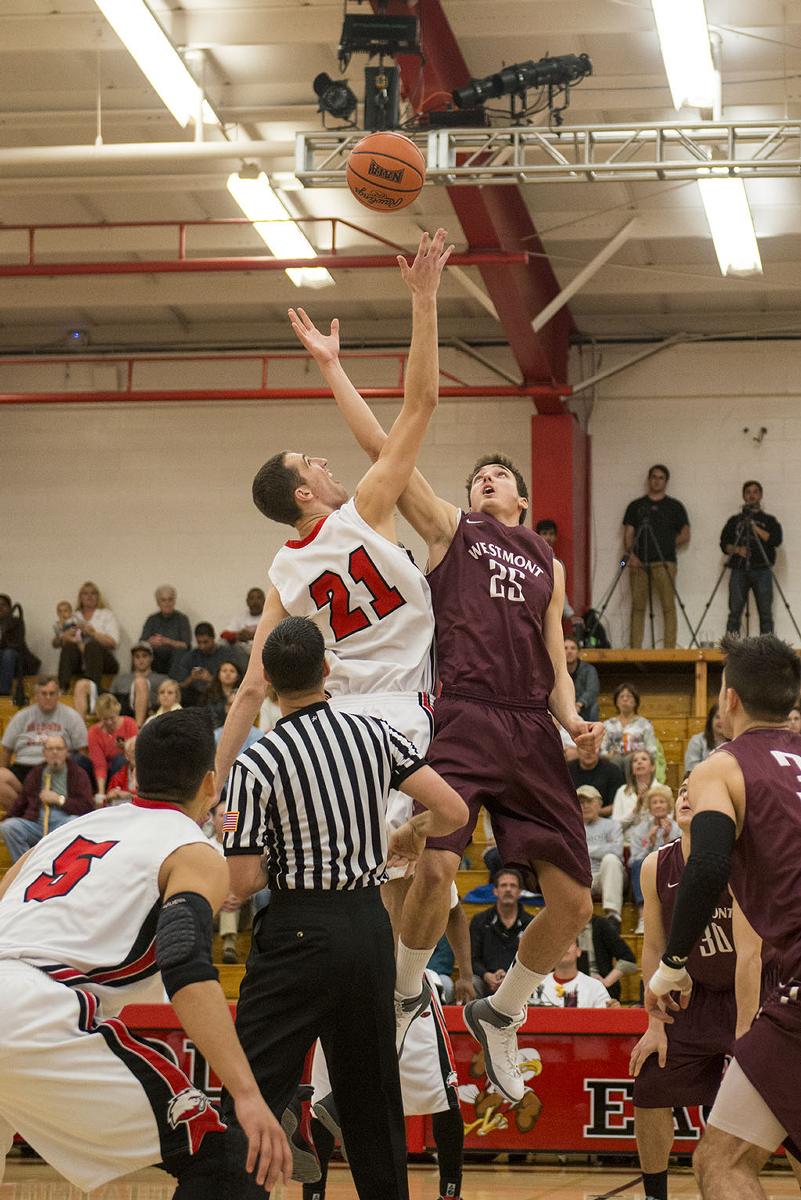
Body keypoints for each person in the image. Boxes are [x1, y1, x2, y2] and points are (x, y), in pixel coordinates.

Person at [287, 310, 602, 1104]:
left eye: (499, 477)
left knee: (573, 905)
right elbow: (380, 449)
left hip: (531, 725)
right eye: (478, 476)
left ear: (524, 499)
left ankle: (501, 1013)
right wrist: (333, 365)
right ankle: (400, 998)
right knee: (433, 868)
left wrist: (572, 721)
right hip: (461, 712)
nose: (485, 480)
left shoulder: (546, 563)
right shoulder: (452, 531)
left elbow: (554, 660)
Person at [221, 616, 468, 1200]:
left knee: (251, 1089)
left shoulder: (256, 763)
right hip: (366, 927)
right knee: (373, 1101)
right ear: (326, 668)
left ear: (271, 685)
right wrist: (413, 835)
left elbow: (241, 878)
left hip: (296, 932)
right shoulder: (373, 733)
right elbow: (454, 813)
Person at [0, 708, 292, 1196]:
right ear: (209, 782)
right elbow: (183, 959)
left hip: (19, 993)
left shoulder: (67, 832)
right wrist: (245, 1092)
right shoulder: (192, 849)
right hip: (36, 1015)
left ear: (136, 773)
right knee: (230, 1158)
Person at [645, 634, 801, 1199]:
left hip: (797, 983)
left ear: (728, 698)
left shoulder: (724, 766)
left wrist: (673, 965)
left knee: (722, 1163)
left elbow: (707, 862)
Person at [632, 775, 786, 1200]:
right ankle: (654, 1195)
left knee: (787, 1107)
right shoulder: (655, 866)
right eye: (681, 790)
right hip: (693, 995)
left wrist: (744, 1040)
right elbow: (654, 949)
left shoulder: (739, 864)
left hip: (756, 993)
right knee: (649, 1078)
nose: (685, 796)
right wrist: (654, 1024)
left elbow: (750, 958)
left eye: (693, 791)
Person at [623, 465, 690, 649]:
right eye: (653, 477)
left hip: (665, 562)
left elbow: (685, 534)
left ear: (666, 481)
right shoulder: (636, 506)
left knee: (668, 606)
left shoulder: (674, 506)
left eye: (661, 477)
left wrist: (667, 544)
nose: (657, 480)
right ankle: (635, 649)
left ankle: (669, 649)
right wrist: (631, 555)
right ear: (649, 479)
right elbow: (628, 533)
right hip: (638, 562)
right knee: (637, 606)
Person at [0, 734, 93, 860]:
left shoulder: (78, 773)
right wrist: (6, 819)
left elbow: (87, 807)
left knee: (72, 822)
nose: (55, 752)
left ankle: (61, 869)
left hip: (63, 823)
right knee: (8, 827)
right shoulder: (36, 773)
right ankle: (27, 869)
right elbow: (20, 803)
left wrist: (59, 800)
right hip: (37, 823)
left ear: (66, 752)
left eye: (59, 749)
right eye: (50, 749)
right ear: (44, 753)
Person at [0, 677, 88, 811]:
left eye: (52, 693)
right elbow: (6, 750)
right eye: (43, 693)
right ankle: (24, 814)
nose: (48, 697)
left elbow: (83, 752)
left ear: (58, 695)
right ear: (35, 696)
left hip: (57, 768)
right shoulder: (21, 717)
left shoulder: (72, 716)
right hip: (25, 767)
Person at [719, 481, 783, 638]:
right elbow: (723, 544)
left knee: (766, 614)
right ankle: (731, 649)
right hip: (739, 570)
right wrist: (737, 549)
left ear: (760, 495)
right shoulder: (734, 520)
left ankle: (767, 651)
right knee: (734, 613)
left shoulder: (769, 520)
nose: (752, 495)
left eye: (755, 492)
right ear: (743, 496)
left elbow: (775, 540)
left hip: (763, 570)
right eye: (748, 492)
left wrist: (754, 527)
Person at [469, 868, 533, 998]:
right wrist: (487, 976)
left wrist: (512, 979)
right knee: (472, 982)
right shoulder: (480, 921)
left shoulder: (531, 924)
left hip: (520, 981)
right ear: (495, 891)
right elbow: (473, 958)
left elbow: (535, 959)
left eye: (513, 886)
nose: (508, 889)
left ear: (520, 892)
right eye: (504, 885)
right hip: (486, 980)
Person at [627, 785, 679, 933]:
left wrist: (668, 838)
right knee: (638, 865)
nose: (658, 805)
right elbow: (632, 861)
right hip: (647, 871)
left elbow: (681, 855)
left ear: (668, 805)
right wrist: (649, 844)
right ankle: (643, 918)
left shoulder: (677, 828)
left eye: (662, 802)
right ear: (649, 807)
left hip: (670, 868)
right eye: (654, 802)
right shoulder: (639, 830)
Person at [55, 581, 119, 693]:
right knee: (69, 647)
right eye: (85, 593)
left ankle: (93, 689)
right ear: (80, 597)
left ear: (98, 597)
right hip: (80, 662)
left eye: (93, 593)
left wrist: (93, 633)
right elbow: (56, 642)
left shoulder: (106, 614)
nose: (89, 596)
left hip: (104, 663)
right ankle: (62, 688)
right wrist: (64, 636)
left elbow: (113, 643)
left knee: (92, 645)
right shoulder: (74, 616)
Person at [579, 786, 626, 927]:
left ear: (599, 804)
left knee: (610, 859)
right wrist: (603, 848)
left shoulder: (612, 825)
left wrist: (584, 848)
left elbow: (616, 851)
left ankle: (613, 917)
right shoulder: (571, 828)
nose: (585, 806)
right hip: (582, 878)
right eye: (581, 802)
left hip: (606, 876)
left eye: (589, 801)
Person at [207, 797, 243, 964]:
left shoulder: (240, 847)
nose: (226, 819)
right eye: (222, 815)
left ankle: (229, 946)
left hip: (240, 908)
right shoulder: (205, 846)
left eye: (230, 816)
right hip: (211, 908)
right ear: (212, 819)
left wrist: (240, 896)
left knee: (231, 896)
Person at [531, 939, 614, 1008]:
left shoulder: (595, 987)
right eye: (558, 945)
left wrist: (613, 1009)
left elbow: (607, 1020)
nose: (563, 947)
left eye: (568, 943)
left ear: (578, 951)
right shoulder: (535, 985)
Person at [87, 693, 137, 802]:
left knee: (120, 759)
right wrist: (101, 793)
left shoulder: (130, 724)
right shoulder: (93, 732)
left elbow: (134, 754)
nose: (109, 722)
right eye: (105, 719)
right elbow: (99, 764)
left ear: (117, 712)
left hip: (125, 768)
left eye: (112, 718)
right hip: (104, 772)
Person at [577, 914, 637, 1003]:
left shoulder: (600, 925)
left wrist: (606, 982)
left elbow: (629, 960)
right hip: (571, 988)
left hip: (601, 991)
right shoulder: (561, 926)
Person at [107, 642, 167, 726]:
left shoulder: (161, 679)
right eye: (137, 656)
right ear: (133, 659)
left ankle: (138, 729)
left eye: (144, 656)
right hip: (121, 713)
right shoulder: (120, 678)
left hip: (149, 714)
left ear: (151, 658)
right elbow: (109, 699)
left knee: (140, 682)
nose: (140, 660)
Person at [176, 624, 234, 708]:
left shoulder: (225, 654)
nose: (202, 646)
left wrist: (210, 678)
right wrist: (191, 678)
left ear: (213, 638)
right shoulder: (191, 656)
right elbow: (179, 685)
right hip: (194, 696)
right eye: (199, 642)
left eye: (205, 642)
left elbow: (232, 681)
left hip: (218, 694)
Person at [140, 585, 192, 676]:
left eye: (170, 599)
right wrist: (150, 642)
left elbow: (186, 645)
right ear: (158, 602)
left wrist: (167, 641)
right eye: (163, 600)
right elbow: (141, 642)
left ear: (174, 601)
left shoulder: (182, 619)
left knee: (180, 653)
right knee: (141, 652)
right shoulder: (152, 619)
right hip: (156, 657)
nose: (167, 603)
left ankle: (171, 684)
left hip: (175, 658)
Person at [601, 682, 658, 763]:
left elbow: (652, 750)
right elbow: (601, 749)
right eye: (621, 697)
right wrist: (608, 755)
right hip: (612, 762)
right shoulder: (608, 724)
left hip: (636, 763)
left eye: (629, 696)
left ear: (635, 702)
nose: (625, 699)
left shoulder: (645, 724)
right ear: (616, 702)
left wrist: (639, 756)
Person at [568, 739, 625, 816]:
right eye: (584, 748)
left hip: (604, 819)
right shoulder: (566, 769)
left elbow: (617, 805)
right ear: (578, 750)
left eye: (593, 748)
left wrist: (592, 814)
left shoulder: (613, 770)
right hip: (572, 817)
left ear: (599, 750)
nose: (588, 752)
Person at [611, 748, 658, 835]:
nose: (639, 762)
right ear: (632, 769)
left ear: (652, 767)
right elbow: (615, 826)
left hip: (654, 841)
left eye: (644, 759)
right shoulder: (622, 791)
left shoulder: (661, 790)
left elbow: (665, 821)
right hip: (627, 843)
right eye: (635, 761)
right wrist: (636, 809)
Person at [0, 594, 39, 696]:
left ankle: (3, 692)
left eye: (3, 605)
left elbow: (15, 643)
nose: (0, 607)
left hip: (17, 659)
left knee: (8, 653)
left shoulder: (16, 621)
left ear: (9, 607)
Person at [535, 520, 574, 621]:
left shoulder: (558, 564)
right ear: (537, 536)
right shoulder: (530, 559)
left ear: (555, 537)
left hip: (551, 615)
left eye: (551, 534)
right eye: (544, 534)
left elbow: (560, 592)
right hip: (534, 612)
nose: (548, 538)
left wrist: (569, 614)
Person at [222, 588, 266, 674]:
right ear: (247, 601)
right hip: (243, 652)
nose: (255, 601)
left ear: (264, 600)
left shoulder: (269, 615)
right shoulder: (240, 617)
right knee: (224, 645)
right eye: (252, 598)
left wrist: (254, 635)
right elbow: (224, 635)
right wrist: (238, 635)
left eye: (258, 598)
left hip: (263, 651)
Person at [564, 635, 599, 722]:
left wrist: (579, 705)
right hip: (561, 709)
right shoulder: (555, 670)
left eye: (573, 648)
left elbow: (592, 690)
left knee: (594, 707)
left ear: (578, 652)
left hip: (582, 709)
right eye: (565, 648)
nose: (569, 651)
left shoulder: (589, 670)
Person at [684, 703, 726, 772]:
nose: (721, 721)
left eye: (724, 718)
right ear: (711, 720)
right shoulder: (697, 741)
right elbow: (691, 768)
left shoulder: (735, 741)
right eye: (717, 717)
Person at [105, 735, 137, 804]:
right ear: (126, 755)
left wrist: (129, 795)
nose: (138, 755)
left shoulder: (152, 774)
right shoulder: (118, 777)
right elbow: (107, 802)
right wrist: (110, 796)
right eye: (134, 751)